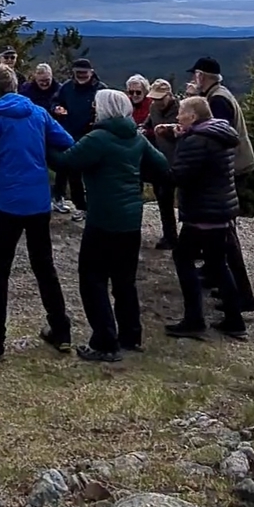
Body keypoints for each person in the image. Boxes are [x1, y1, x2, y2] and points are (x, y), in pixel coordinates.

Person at [0, 64, 74, 362]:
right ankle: (61, 330)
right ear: (16, 85)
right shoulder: (37, 112)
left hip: (9, 203)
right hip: (38, 201)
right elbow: (67, 142)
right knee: (44, 265)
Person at [50, 89, 170, 363]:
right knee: (124, 281)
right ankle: (130, 336)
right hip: (131, 220)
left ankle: (105, 342)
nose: (93, 107)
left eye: (96, 104)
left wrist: (43, 141)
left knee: (92, 280)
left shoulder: (99, 138)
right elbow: (162, 165)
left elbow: (65, 162)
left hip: (103, 220)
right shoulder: (136, 137)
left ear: (104, 109)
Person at [156, 95, 248, 341]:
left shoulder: (197, 140)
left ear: (193, 117)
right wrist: (179, 136)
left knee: (183, 257)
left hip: (202, 213)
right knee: (218, 264)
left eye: (182, 113)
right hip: (221, 210)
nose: (177, 117)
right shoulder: (219, 134)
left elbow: (180, 175)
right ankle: (234, 319)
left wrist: (155, 168)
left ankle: (194, 319)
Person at [188, 56, 254, 312]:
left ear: (202, 76)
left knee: (225, 233)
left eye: (196, 75)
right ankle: (214, 274)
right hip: (237, 166)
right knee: (221, 232)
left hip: (233, 169)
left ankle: (243, 295)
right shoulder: (220, 94)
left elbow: (216, 136)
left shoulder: (217, 100)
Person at [52, 56, 101, 214]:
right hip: (68, 134)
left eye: (84, 73)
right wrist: (57, 108)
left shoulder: (100, 89)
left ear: (91, 73)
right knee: (68, 170)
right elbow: (55, 101)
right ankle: (75, 204)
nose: (81, 76)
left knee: (89, 174)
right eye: (78, 72)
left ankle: (89, 206)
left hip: (90, 136)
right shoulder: (66, 87)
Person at [144, 79, 180, 249]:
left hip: (180, 160)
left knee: (185, 201)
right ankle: (170, 236)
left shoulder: (181, 109)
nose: (157, 102)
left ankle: (192, 241)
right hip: (161, 160)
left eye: (160, 98)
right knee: (163, 198)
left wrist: (169, 132)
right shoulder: (153, 108)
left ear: (169, 95)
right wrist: (143, 129)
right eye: (154, 98)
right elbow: (149, 122)